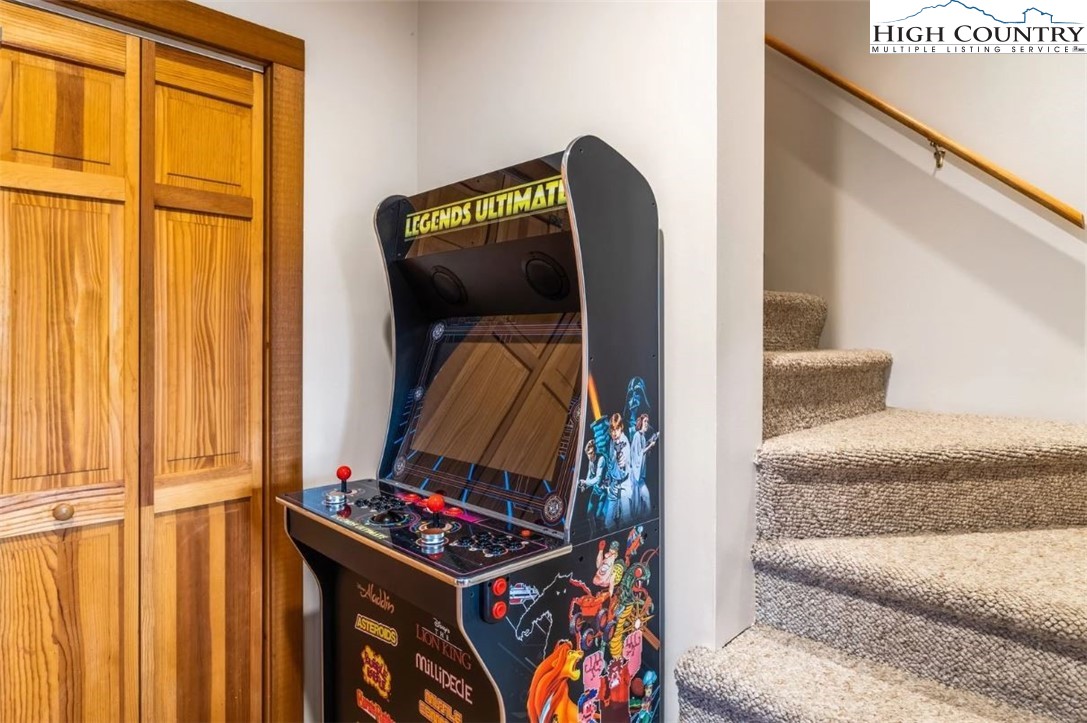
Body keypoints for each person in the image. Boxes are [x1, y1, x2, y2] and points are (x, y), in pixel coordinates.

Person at [628, 414, 658, 518]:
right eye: (645, 421)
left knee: (647, 498)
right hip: (635, 477)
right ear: (640, 422)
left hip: (639, 476)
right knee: (637, 504)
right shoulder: (636, 435)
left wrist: (651, 442)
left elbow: (644, 453)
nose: (646, 424)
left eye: (647, 421)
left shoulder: (643, 437)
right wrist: (650, 445)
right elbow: (639, 454)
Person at [605, 413, 631, 528]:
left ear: (621, 428)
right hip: (614, 484)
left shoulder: (624, 443)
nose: (614, 433)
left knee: (626, 519)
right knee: (608, 522)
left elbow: (624, 463)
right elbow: (611, 463)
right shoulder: (612, 442)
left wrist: (622, 463)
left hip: (624, 484)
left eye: (616, 429)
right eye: (612, 430)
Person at [578, 440, 606, 531]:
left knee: (598, 514)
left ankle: (604, 528)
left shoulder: (601, 459)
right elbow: (589, 476)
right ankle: (593, 533)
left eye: (591, 453)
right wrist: (584, 485)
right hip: (596, 490)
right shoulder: (590, 461)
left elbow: (598, 478)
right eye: (588, 454)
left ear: (595, 451)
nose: (589, 456)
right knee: (589, 514)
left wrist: (586, 483)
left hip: (604, 490)